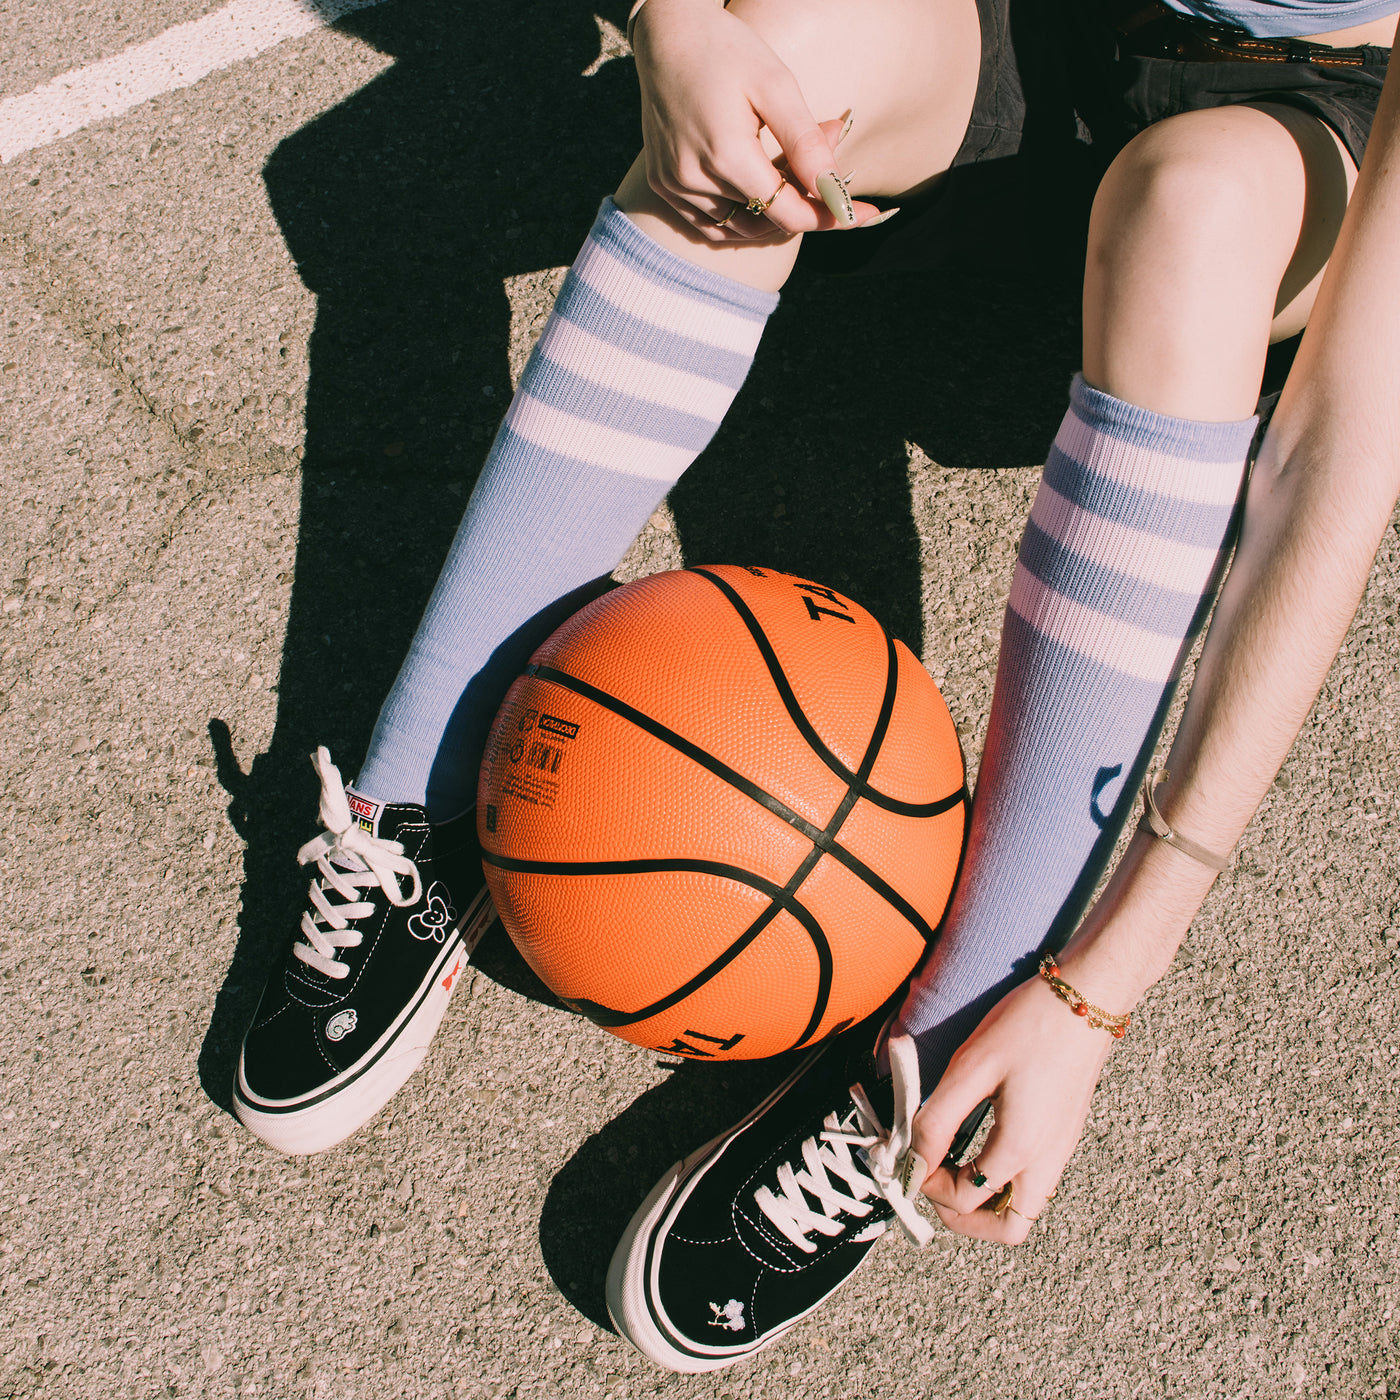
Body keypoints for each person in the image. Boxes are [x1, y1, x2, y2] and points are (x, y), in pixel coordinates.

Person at [231, 0, 1400, 1371]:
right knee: (783, 49)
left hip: (1303, 138)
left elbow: (1342, 447)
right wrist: (675, 20)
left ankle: (950, 1044)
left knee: (1188, 212)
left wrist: (1100, 991)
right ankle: (416, 799)